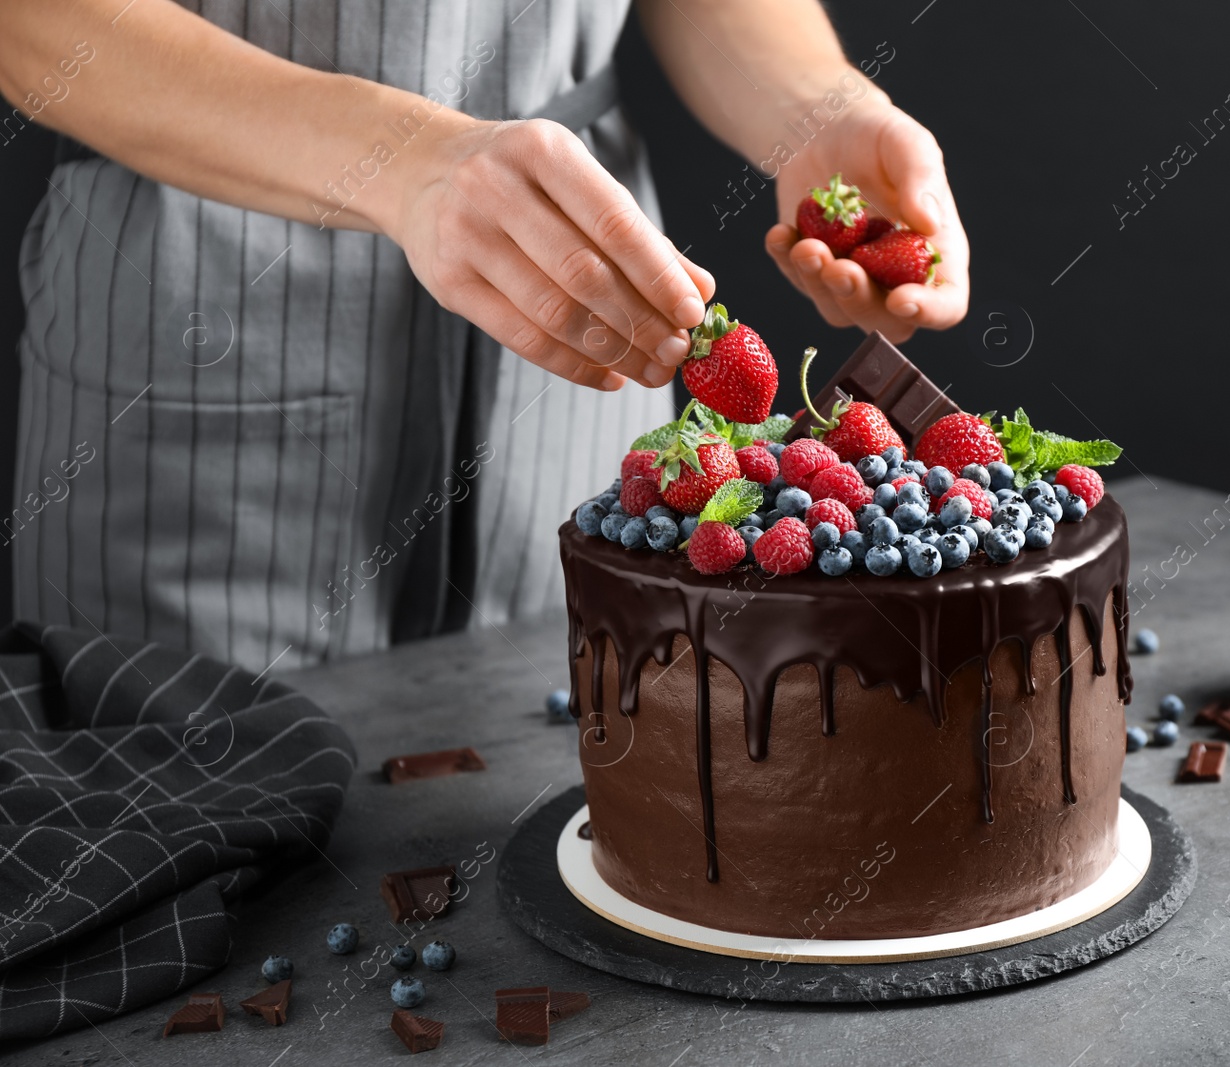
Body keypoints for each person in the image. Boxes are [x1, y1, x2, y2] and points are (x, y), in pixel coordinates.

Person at [0, 0, 969, 672]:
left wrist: (812, 110)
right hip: (201, 307)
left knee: (575, 777)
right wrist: (405, 165)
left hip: (586, 299)